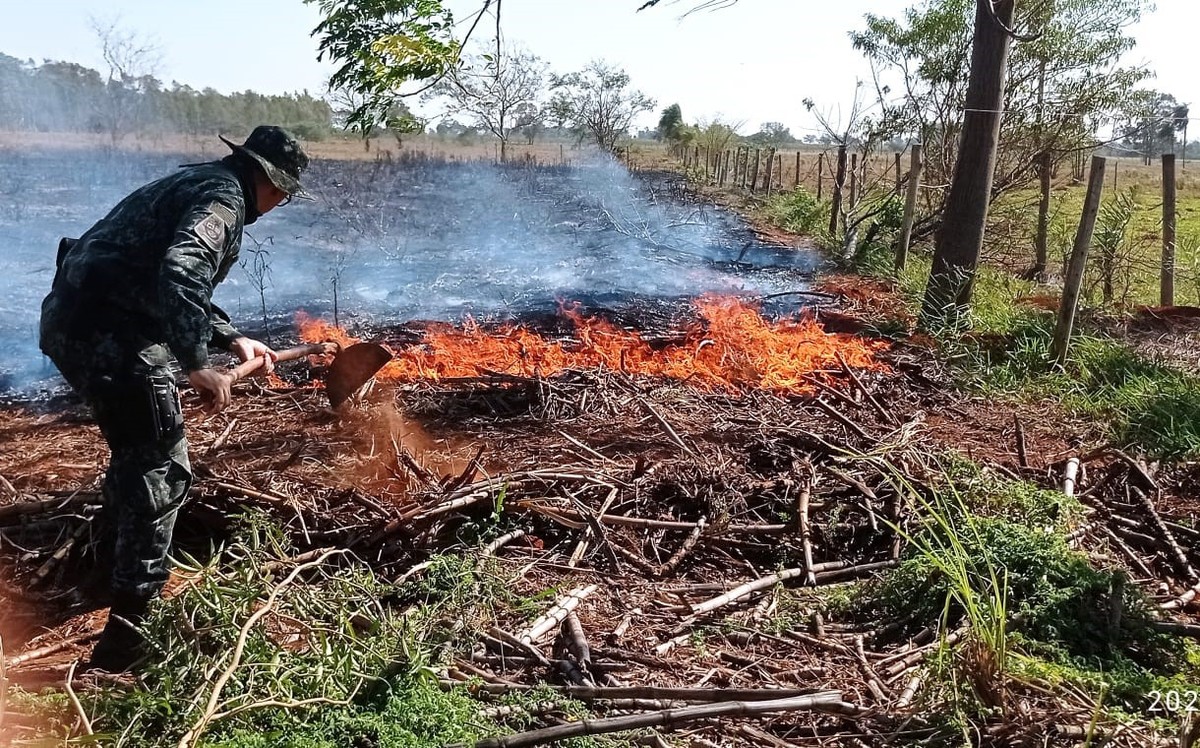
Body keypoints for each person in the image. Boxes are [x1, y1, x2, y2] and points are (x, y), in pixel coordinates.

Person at [38, 125, 313, 672]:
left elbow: (153, 276)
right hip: (111, 336)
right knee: (162, 465)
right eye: (281, 191)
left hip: (79, 321)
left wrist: (230, 338)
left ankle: (103, 572)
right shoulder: (223, 199)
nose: (279, 203)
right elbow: (182, 273)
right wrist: (196, 364)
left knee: (135, 449)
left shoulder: (200, 181)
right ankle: (128, 637)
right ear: (266, 179)